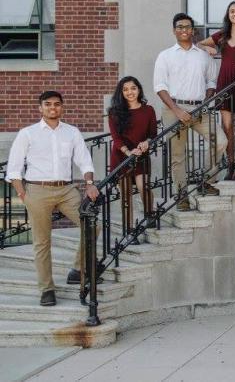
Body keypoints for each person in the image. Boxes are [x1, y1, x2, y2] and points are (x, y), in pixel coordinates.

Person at [5, 91, 100, 306]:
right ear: (40, 108)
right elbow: (14, 168)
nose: (52, 108)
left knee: (92, 225)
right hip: (37, 190)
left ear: (62, 107)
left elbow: (84, 161)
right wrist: (22, 194)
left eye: (57, 104)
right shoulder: (27, 133)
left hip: (66, 190)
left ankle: (78, 269)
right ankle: (47, 289)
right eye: (47, 104)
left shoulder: (72, 132)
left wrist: (89, 183)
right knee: (42, 242)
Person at [153, 13, 227, 211]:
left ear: (193, 30)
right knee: (178, 156)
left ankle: (206, 181)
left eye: (187, 26)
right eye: (180, 27)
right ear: (174, 30)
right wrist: (177, 110)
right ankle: (182, 196)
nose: (184, 30)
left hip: (200, 108)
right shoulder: (165, 56)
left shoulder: (203, 55)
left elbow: (211, 81)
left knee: (220, 140)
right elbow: (160, 86)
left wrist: (206, 100)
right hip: (173, 109)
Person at [198, 1, 235, 177]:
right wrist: (207, 47)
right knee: (227, 127)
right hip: (225, 84)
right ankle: (231, 164)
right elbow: (199, 44)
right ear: (228, 15)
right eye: (232, 11)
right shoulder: (221, 35)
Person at [107, 76, 158, 238]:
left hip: (141, 155)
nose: (130, 92)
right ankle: (128, 230)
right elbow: (116, 138)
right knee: (126, 194)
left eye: (133, 88)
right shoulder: (114, 112)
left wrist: (147, 142)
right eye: (125, 89)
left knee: (144, 186)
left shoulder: (148, 110)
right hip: (121, 156)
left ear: (139, 89)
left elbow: (153, 134)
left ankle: (150, 214)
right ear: (121, 92)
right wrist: (129, 152)